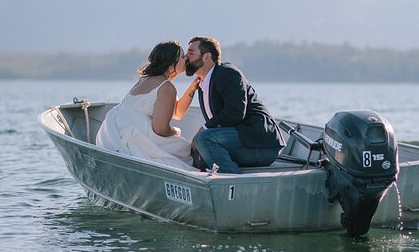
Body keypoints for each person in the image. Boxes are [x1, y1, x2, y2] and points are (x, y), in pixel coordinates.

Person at [185, 36, 286, 174]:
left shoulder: (227, 73)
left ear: (206, 57)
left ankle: (233, 182)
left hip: (261, 145)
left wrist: (204, 129)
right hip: (243, 142)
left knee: (203, 139)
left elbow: (235, 112)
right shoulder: (203, 83)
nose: (185, 57)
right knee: (198, 145)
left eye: (190, 53)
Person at [95, 40, 202, 170]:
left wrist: (192, 88)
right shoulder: (166, 87)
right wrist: (176, 131)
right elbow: (160, 129)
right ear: (170, 63)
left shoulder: (145, 79)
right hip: (135, 131)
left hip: (114, 126)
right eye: (182, 56)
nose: (186, 59)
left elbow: (177, 113)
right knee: (186, 150)